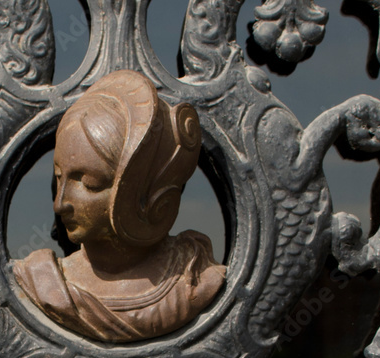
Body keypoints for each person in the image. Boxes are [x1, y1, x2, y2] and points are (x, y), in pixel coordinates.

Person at [12, 70, 225, 342]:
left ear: (141, 191)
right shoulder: (44, 281)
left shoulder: (194, 278)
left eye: (88, 183)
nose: (60, 204)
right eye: (58, 177)